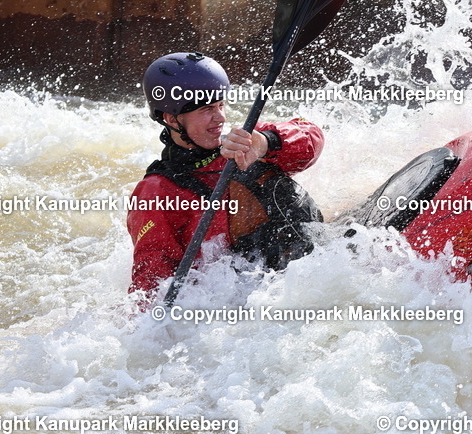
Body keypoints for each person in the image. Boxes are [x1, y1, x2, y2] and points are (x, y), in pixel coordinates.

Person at [127, 51, 324, 309]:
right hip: (250, 301)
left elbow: (313, 137)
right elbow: (151, 279)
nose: (220, 118)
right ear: (172, 119)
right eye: (207, 110)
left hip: (317, 266)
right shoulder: (156, 193)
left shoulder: (245, 142)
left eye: (220, 105)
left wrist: (266, 143)